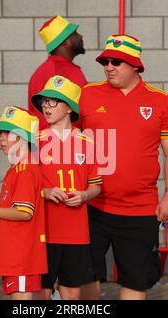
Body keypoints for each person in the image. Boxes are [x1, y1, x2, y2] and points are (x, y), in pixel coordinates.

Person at [79, 34, 168, 300]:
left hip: (140, 209)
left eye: (117, 61)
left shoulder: (160, 99)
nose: (109, 66)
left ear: (136, 65)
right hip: (91, 206)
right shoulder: (87, 94)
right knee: (84, 277)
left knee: (135, 283)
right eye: (105, 61)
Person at [31, 75, 102, 300]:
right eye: (44, 101)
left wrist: (84, 195)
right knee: (41, 290)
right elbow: (22, 186)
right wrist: (45, 192)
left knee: (72, 291)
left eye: (53, 101)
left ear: (70, 108)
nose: (46, 106)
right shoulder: (34, 141)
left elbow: (96, 186)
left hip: (76, 232)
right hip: (44, 231)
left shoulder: (88, 142)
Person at [0, 106, 47, 300]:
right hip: (14, 252)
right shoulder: (15, 169)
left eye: (8, 134)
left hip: (21, 254)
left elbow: (24, 212)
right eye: (1, 134)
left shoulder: (25, 170)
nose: (2, 140)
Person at [28, 16, 87, 130]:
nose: (80, 36)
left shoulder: (41, 71)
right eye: (75, 33)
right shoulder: (66, 72)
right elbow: (75, 116)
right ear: (65, 41)